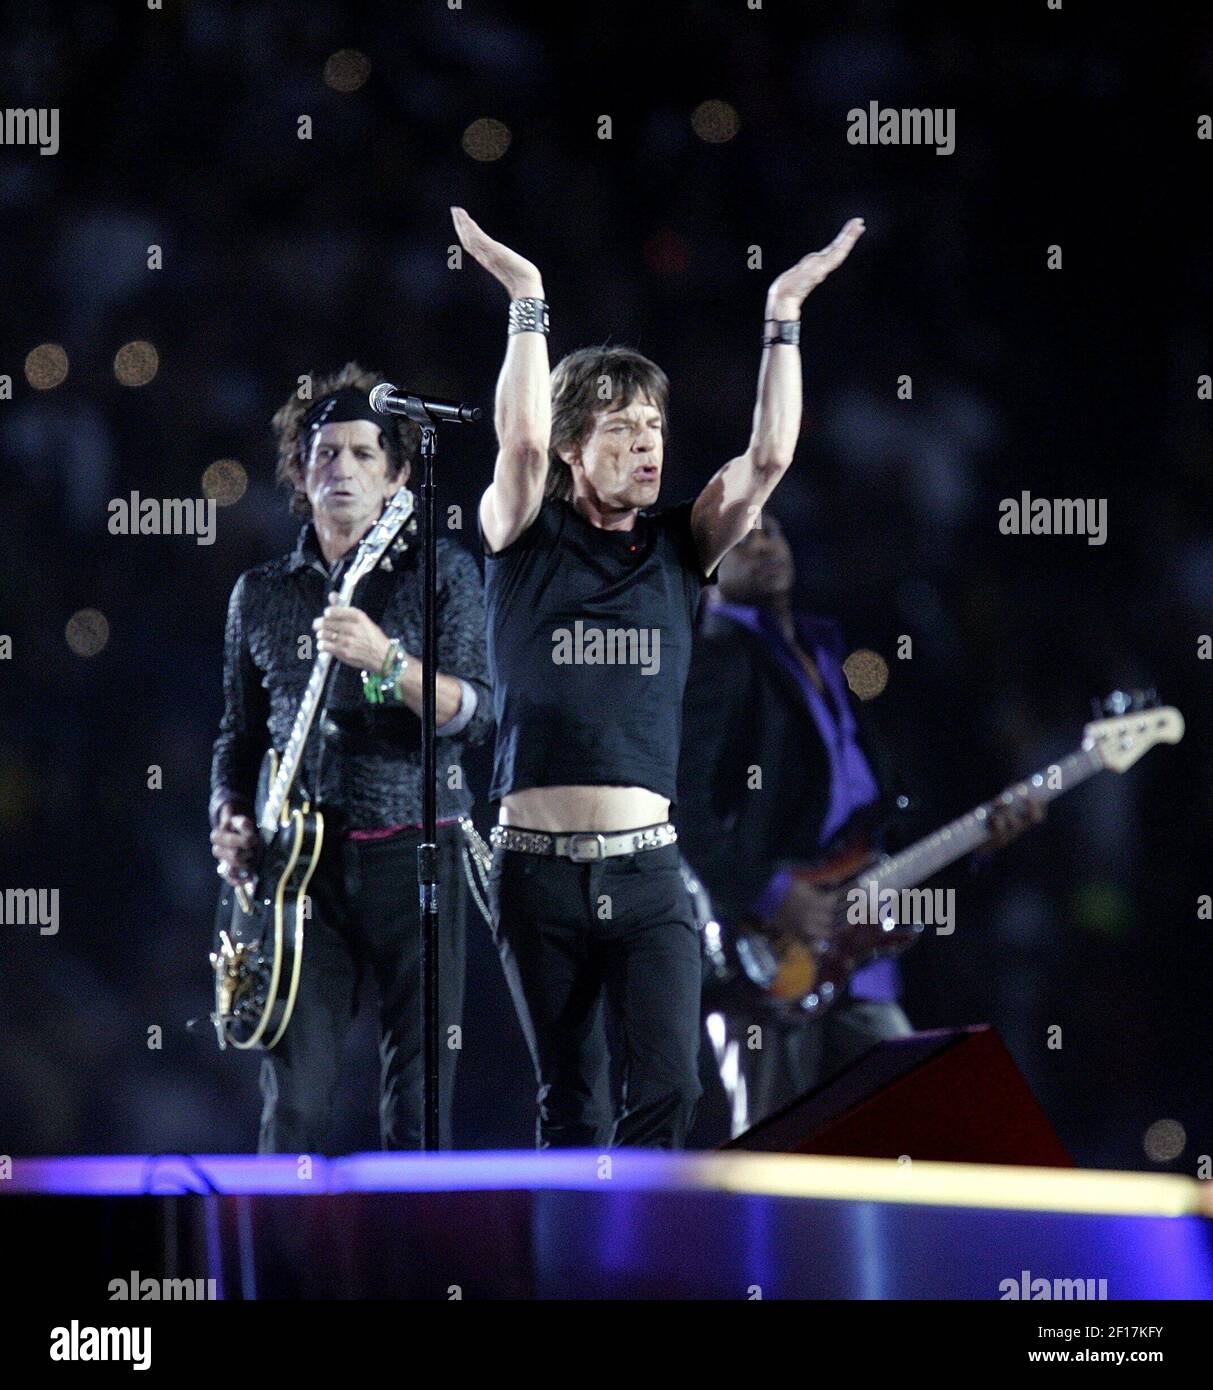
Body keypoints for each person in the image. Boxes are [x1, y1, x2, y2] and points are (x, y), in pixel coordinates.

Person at [451, 203, 865, 1148]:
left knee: (672, 1091)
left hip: (647, 873)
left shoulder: (682, 545)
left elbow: (768, 457)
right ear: (571, 448)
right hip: (534, 874)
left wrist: (783, 311)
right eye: (621, 427)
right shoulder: (522, 536)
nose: (647, 443)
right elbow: (513, 444)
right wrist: (526, 298)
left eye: (654, 426)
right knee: (572, 1105)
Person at [678, 513, 1040, 1138]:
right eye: (744, 539)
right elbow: (682, 805)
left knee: (915, 1126)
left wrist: (982, 839)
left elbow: (876, 808)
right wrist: (774, 893)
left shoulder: (825, 649)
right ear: (707, 568)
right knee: (770, 1150)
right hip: (766, 955)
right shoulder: (717, 651)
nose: (765, 546)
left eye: (775, 531)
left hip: (859, 960)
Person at [209, 363, 492, 1152]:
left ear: (398, 473)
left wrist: (387, 662)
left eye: (365, 454)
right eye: (325, 452)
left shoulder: (442, 572)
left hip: (416, 854)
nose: (342, 468)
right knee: (292, 1107)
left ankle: (413, 1268)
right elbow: (238, 735)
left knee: (418, 1106)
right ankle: (275, 1268)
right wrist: (227, 817)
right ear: (299, 471)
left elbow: (475, 711)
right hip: (303, 874)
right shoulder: (261, 592)